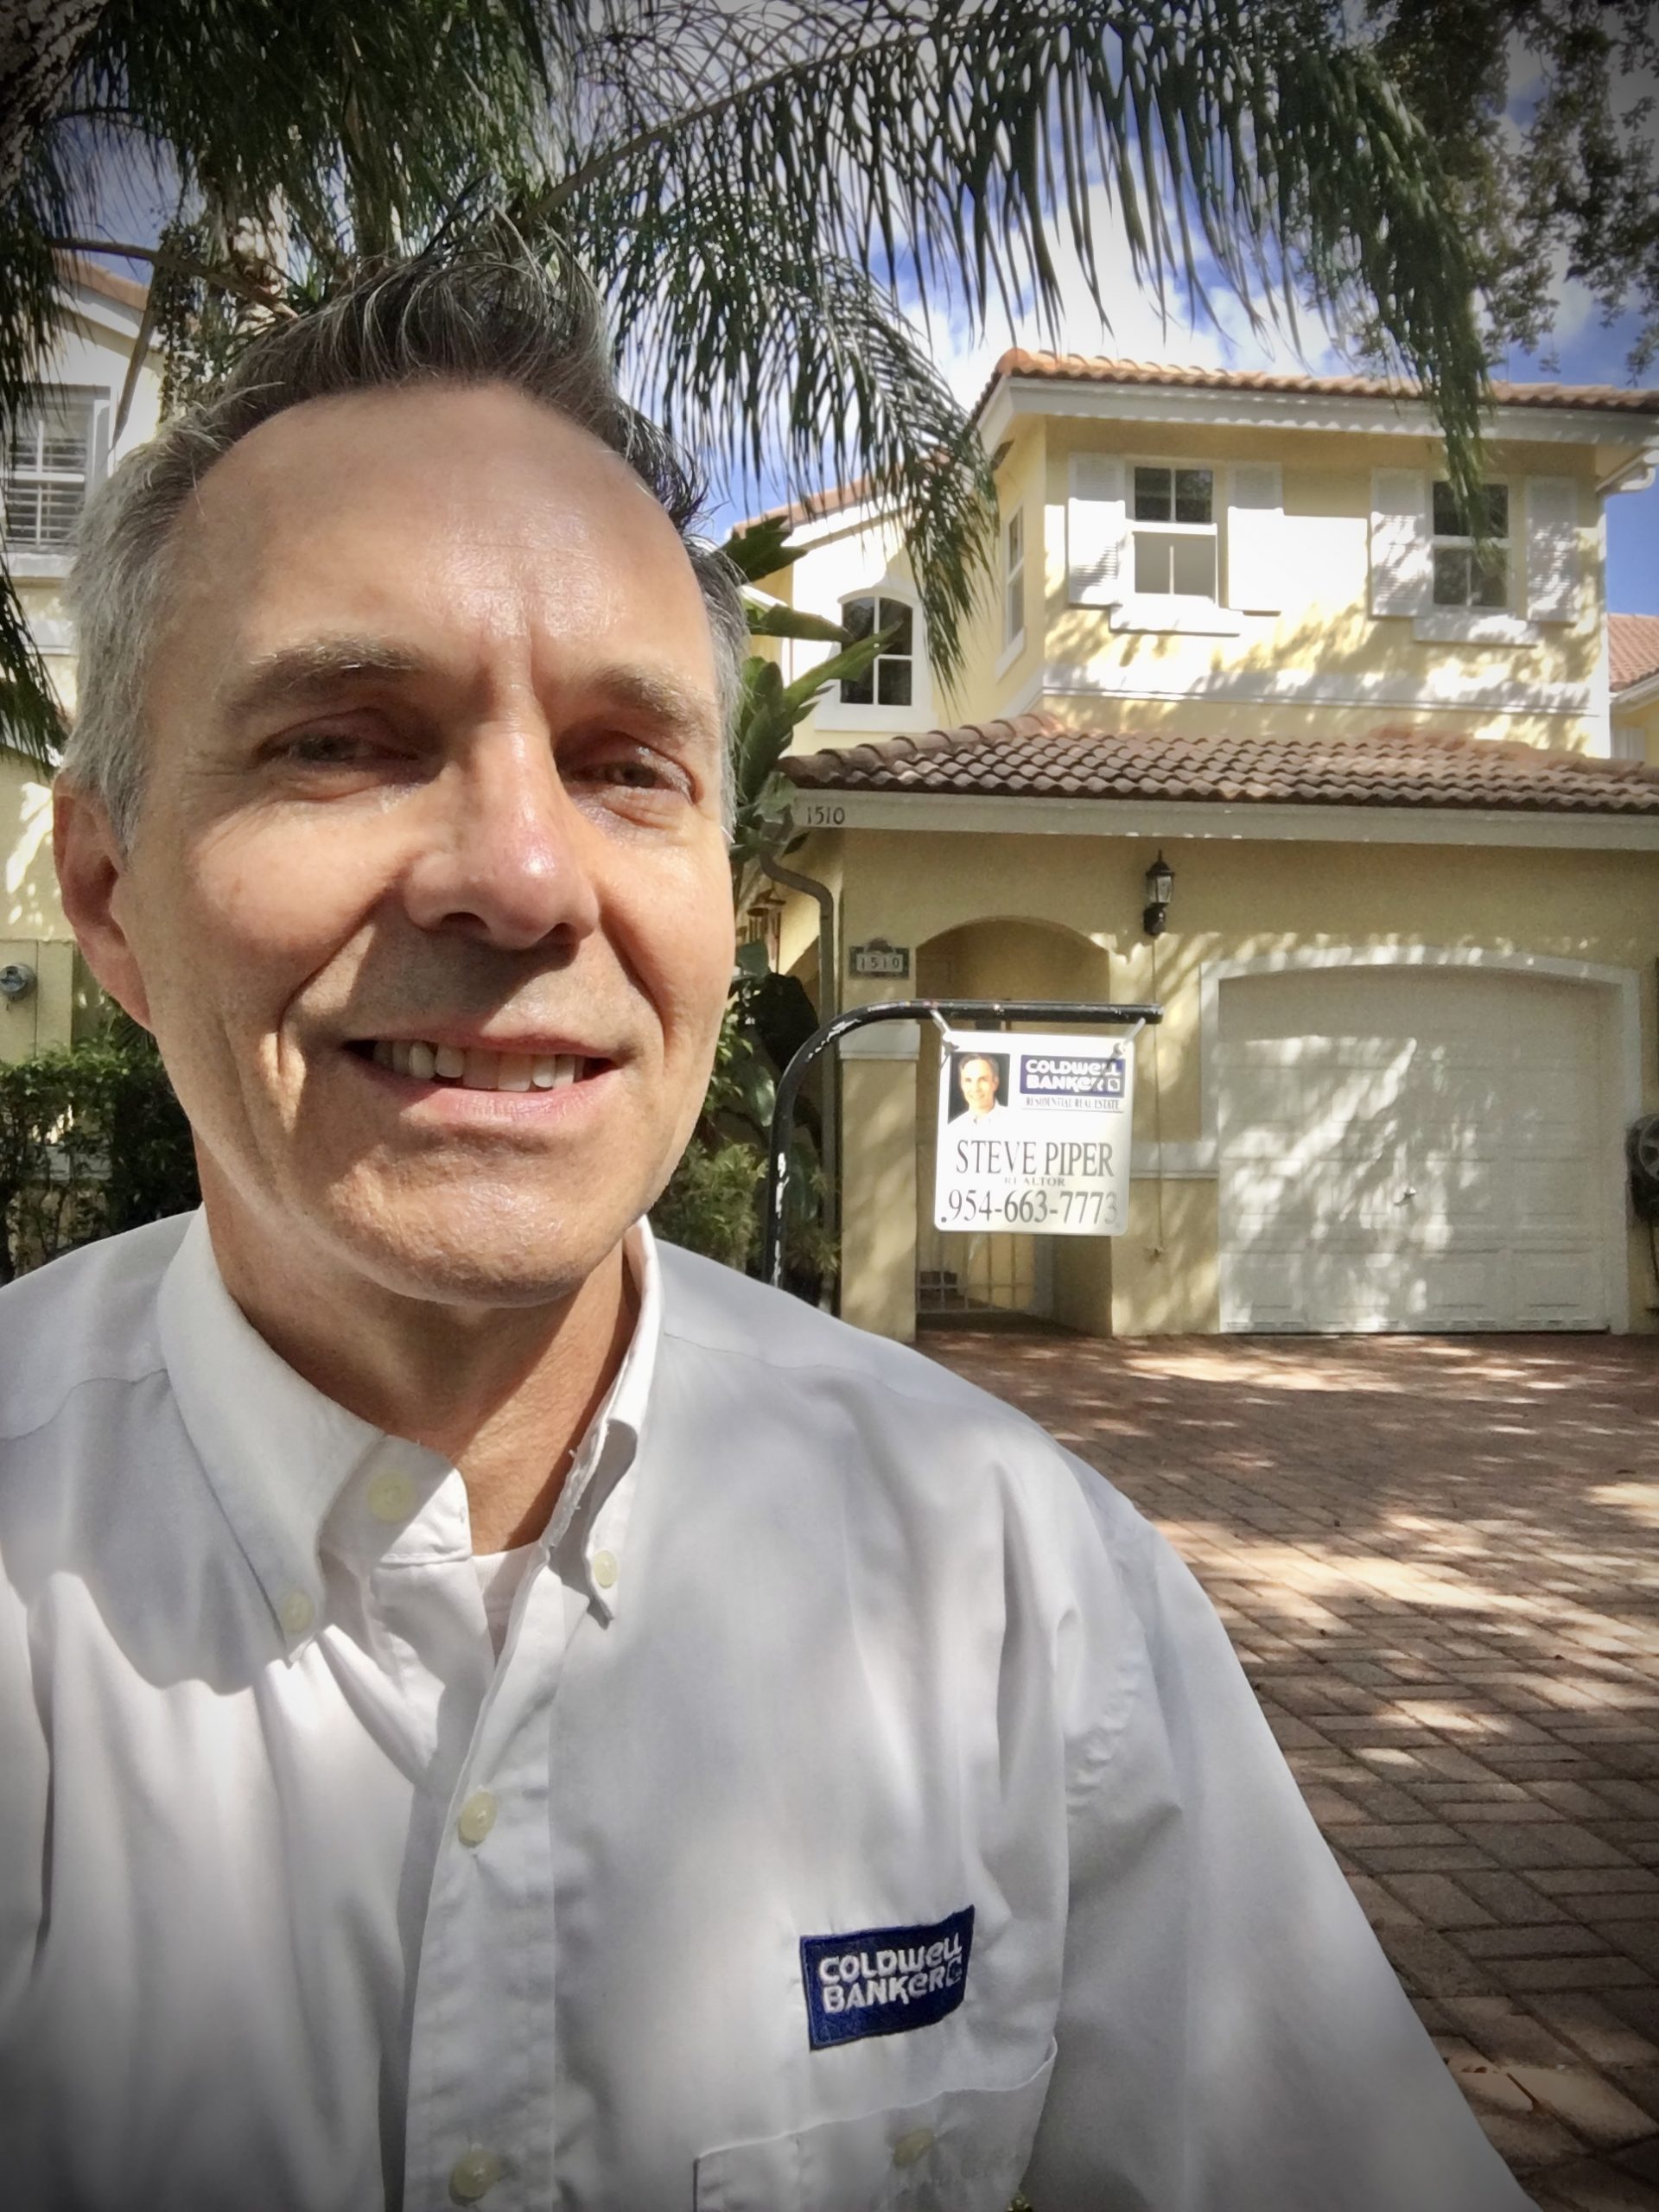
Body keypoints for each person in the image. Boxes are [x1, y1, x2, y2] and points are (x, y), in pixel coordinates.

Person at [0, 250, 1530, 2212]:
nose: (525, 872)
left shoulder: (1016, 1585)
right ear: (113, 897)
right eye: (346, 737)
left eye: (629, 764)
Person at [954, 1050, 1010, 1122]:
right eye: (968, 1080)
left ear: (995, 1083)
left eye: (982, 1080)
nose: (975, 1088)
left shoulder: (1015, 1121)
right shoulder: (953, 1128)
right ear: (962, 1084)